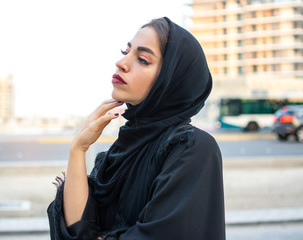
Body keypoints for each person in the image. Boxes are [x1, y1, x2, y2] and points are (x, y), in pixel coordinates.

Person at [48, 17, 225, 240]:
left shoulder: (190, 148)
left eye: (142, 59)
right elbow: (76, 231)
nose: (121, 62)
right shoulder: (114, 156)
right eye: (126, 51)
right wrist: (78, 148)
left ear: (171, 80)